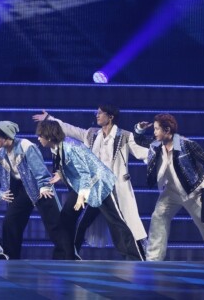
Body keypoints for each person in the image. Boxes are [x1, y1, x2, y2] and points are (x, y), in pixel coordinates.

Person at [33, 106, 148, 258]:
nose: (97, 115)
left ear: (111, 116)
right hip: (90, 185)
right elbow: (70, 130)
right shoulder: (92, 134)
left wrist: (162, 151)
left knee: (119, 223)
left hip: (109, 185)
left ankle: (135, 257)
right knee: (76, 220)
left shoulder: (124, 136)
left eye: (100, 113)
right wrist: (50, 119)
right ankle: (69, 255)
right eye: (96, 112)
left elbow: (142, 152)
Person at [134, 114, 204, 262]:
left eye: (157, 129)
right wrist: (139, 128)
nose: (154, 132)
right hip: (171, 192)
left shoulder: (186, 144)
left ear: (167, 130)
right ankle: (153, 259)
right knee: (158, 217)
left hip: (194, 192)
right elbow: (139, 140)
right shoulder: (157, 145)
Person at [0, 121, 67, 259]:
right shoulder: (0, 154)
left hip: (39, 187)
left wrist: (44, 186)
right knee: (10, 223)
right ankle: (11, 258)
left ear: (6, 136)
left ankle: (66, 257)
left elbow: (39, 169)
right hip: (21, 191)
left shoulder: (26, 146)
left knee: (54, 224)